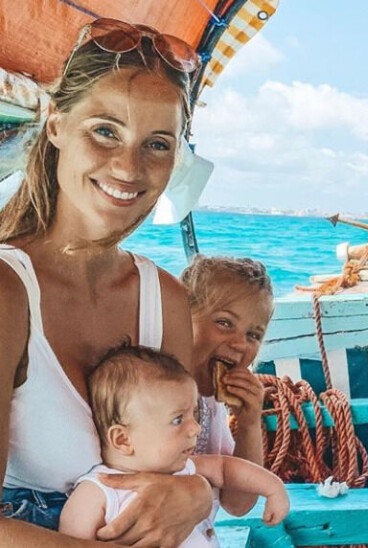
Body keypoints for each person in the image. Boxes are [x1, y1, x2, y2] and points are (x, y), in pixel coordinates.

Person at [0, 18, 212, 545]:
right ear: (55, 126)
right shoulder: (8, 291)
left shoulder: (163, 297)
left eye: (157, 144)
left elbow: (182, 458)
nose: (128, 167)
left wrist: (200, 492)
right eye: (105, 131)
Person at [58, 345, 289, 545]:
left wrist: (273, 487)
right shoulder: (97, 493)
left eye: (194, 414)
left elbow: (225, 469)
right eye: (178, 419)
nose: (195, 428)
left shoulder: (185, 469)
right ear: (122, 439)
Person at [180, 255, 273, 516]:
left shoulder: (210, 405)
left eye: (253, 335)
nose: (240, 344)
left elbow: (238, 503)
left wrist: (248, 423)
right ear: (180, 316)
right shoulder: (150, 393)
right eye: (224, 323)